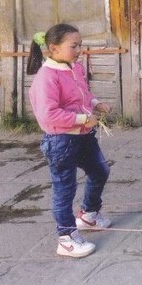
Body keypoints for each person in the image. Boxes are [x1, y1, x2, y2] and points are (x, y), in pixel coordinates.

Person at [27, 23, 113, 259]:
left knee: (100, 171)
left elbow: (83, 94)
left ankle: (88, 214)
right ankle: (66, 238)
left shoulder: (74, 68)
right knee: (64, 190)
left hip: (83, 135)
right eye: (73, 46)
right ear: (53, 48)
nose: (79, 50)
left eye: (80, 45)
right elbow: (48, 115)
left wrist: (95, 104)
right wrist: (84, 118)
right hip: (61, 140)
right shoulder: (47, 77)